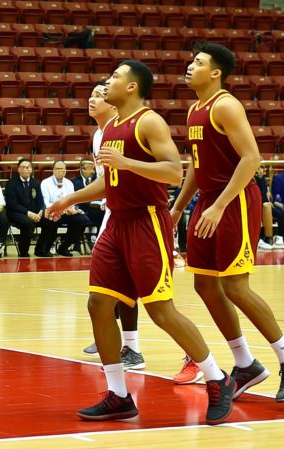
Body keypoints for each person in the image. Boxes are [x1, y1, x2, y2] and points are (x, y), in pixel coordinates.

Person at [46, 60, 234, 424]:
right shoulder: (112, 126)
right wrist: (70, 198)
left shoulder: (149, 121)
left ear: (132, 87)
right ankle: (118, 394)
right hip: (117, 221)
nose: (108, 82)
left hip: (147, 222)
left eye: (115, 77)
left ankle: (216, 377)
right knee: (98, 304)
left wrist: (128, 162)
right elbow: (110, 180)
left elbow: (174, 172)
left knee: (160, 310)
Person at [172, 42, 284, 402]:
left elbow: (252, 159)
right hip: (209, 200)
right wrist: (177, 209)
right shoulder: (193, 109)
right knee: (204, 284)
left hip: (233, 200)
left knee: (235, 285)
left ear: (215, 72)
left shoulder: (226, 105)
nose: (190, 66)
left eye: (198, 62)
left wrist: (219, 205)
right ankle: (245, 363)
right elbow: (195, 166)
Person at [79, 81, 145, 371]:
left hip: (137, 215)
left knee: (139, 290)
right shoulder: (98, 135)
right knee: (110, 282)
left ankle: (131, 346)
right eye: (90, 94)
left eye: (99, 95)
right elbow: (105, 182)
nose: (92, 99)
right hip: (115, 212)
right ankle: (114, 337)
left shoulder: (125, 130)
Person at [4, 158, 58, 258]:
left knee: (50, 221)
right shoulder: (11, 183)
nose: (25, 169)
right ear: (19, 169)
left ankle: (40, 249)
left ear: (31, 170)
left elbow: (41, 201)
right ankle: (23, 251)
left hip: (35, 213)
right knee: (28, 223)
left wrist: (41, 212)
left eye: (28, 167)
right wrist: (29, 213)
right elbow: (12, 204)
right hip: (16, 213)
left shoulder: (36, 183)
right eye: (23, 167)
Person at [40, 160, 90, 256]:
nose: (61, 171)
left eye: (63, 169)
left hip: (67, 212)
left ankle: (64, 247)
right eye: (58, 169)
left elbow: (72, 200)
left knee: (82, 220)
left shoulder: (69, 183)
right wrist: (61, 209)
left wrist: (72, 209)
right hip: (52, 212)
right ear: (53, 170)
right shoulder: (45, 183)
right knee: (52, 220)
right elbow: (46, 203)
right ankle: (45, 248)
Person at [253, 163, 278, 250]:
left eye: (262, 168)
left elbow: (263, 195)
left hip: (261, 204)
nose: (262, 170)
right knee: (266, 208)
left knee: (279, 213)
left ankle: (269, 238)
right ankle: (259, 239)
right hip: (249, 204)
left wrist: (267, 202)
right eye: (260, 167)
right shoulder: (248, 177)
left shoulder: (261, 179)